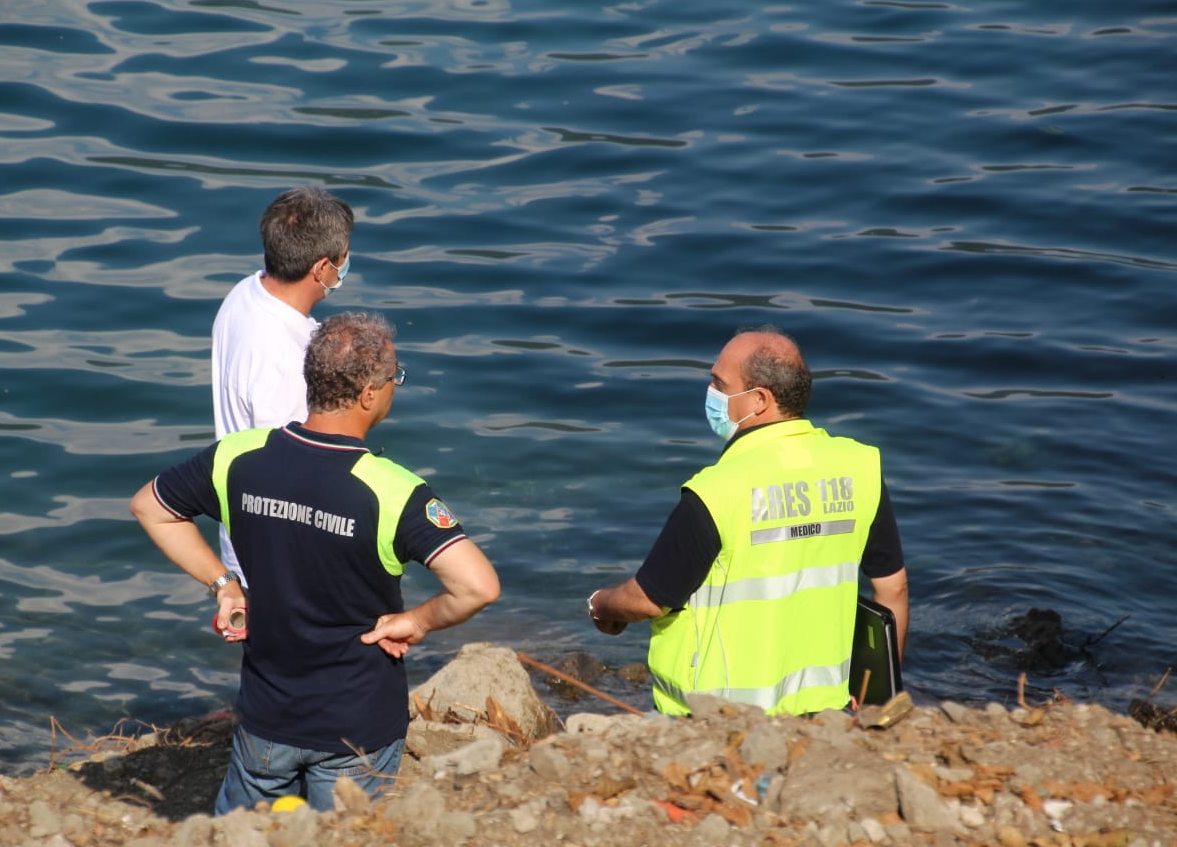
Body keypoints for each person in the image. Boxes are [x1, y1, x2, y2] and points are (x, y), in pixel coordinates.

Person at [131, 311, 500, 814]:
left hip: (266, 720)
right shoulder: (394, 491)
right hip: (358, 726)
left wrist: (224, 584)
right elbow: (478, 586)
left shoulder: (238, 457)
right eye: (396, 378)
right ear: (370, 394)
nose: (396, 388)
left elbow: (150, 508)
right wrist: (414, 621)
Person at [587, 326, 908, 718]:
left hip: (718, 718)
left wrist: (601, 604)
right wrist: (875, 696)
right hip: (825, 712)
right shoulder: (861, 470)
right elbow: (893, 590)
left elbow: (650, 600)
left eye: (719, 383)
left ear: (758, 400)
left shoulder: (716, 490)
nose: (712, 393)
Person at [211, 186, 356, 588]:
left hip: (244, 537)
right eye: (344, 255)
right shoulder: (284, 360)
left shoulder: (246, 292)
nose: (347, 263)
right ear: (323, 268)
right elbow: (289, 475)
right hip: (278, 557)